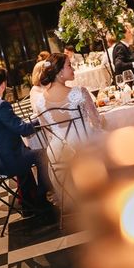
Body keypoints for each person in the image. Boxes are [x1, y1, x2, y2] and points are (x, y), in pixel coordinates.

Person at [0, 68, 54, 220]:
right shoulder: (0, 105)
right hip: (3, 162)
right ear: (3, 85)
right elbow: (23, 130)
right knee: (43, 154)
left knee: (26, 151)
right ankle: (41, 198)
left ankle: (28, 204)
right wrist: (42, 117)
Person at [34, 53, 102, 202]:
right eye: (69, 66)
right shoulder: (80, 92)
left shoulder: (39, 101)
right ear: (59, 73)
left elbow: (47, 133)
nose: (73, 69)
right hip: (85, 147)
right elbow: (97, 123)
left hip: (58, 153)